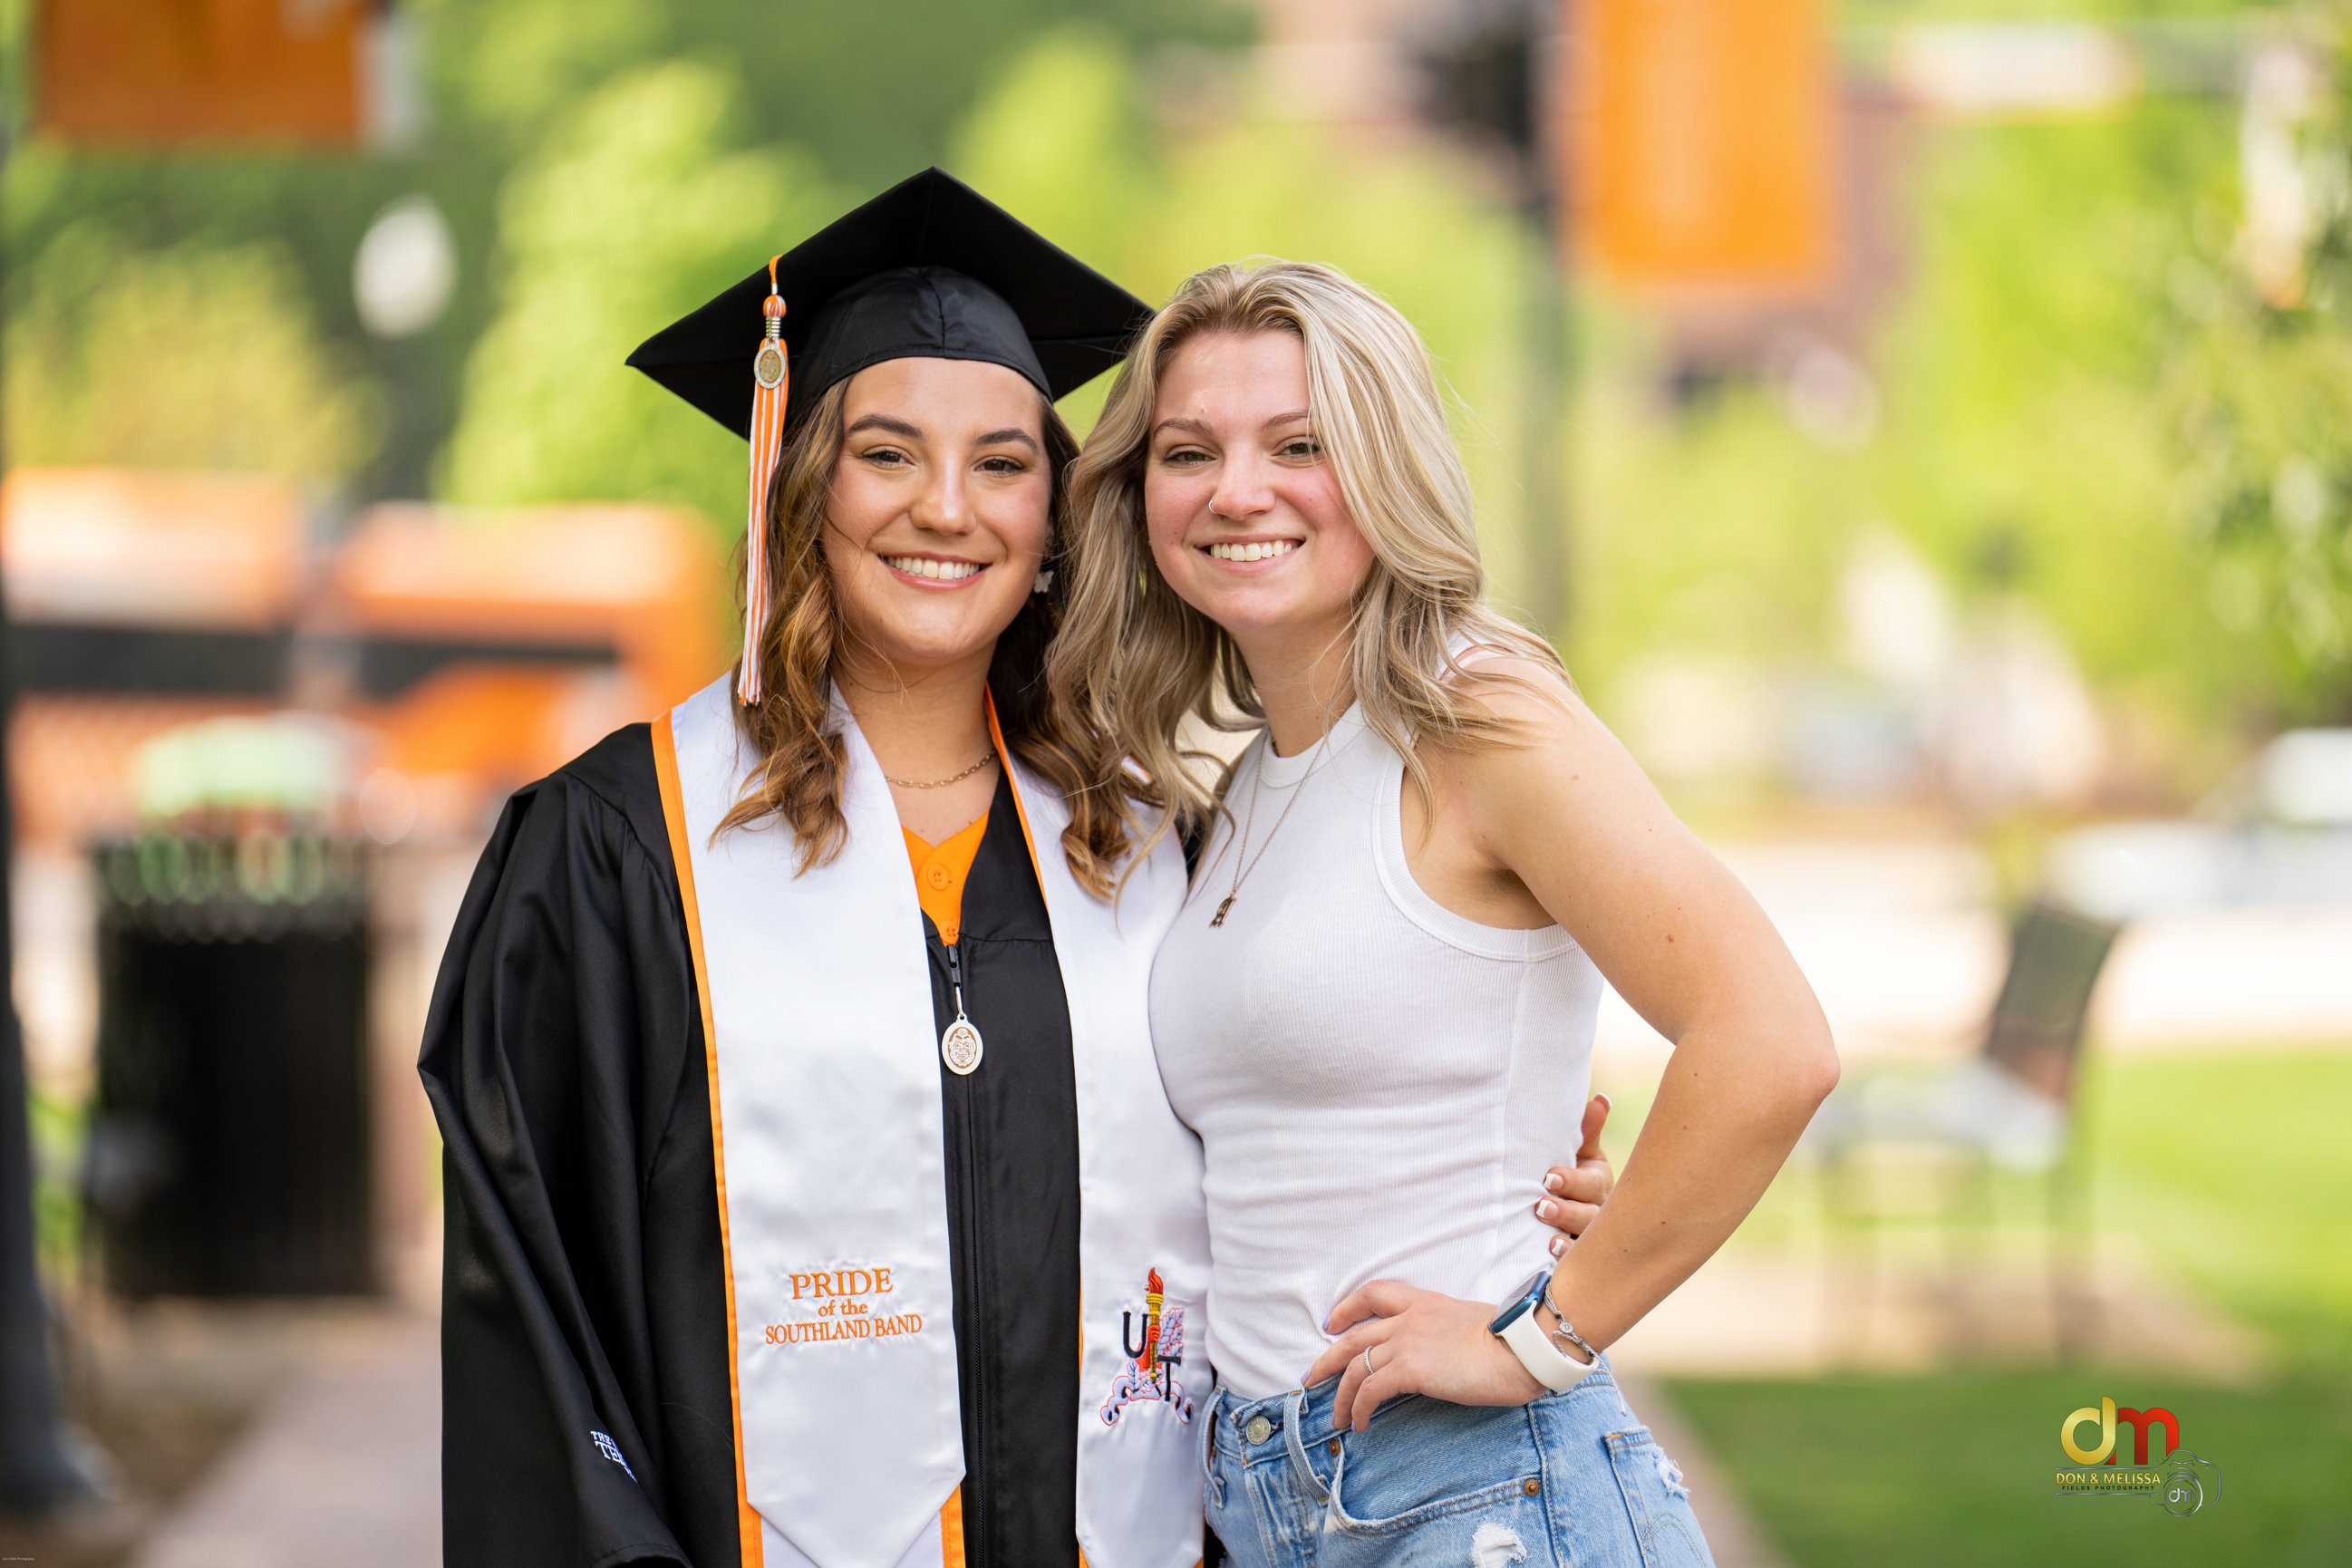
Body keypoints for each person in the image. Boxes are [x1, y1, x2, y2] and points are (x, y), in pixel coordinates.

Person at [421, 179, 1611, 1568]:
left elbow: (1286, 1144)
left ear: (1055, 515)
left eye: (1000, 461)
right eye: (885, 454)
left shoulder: (1143, 848)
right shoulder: (624, 850)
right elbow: (535, 1313)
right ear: (802, 486)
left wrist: (1524, 1181)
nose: (946, 508)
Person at [1051, 261, 1841, 1567]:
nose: (1238, 489)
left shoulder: (1476, 717)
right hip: (1287, 1506)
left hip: (1482, 1501)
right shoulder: (1255, 778)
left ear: (1384, 466)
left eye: (1300, 444)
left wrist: (1536, 1333)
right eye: (1190, 450)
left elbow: (1771, 1039)